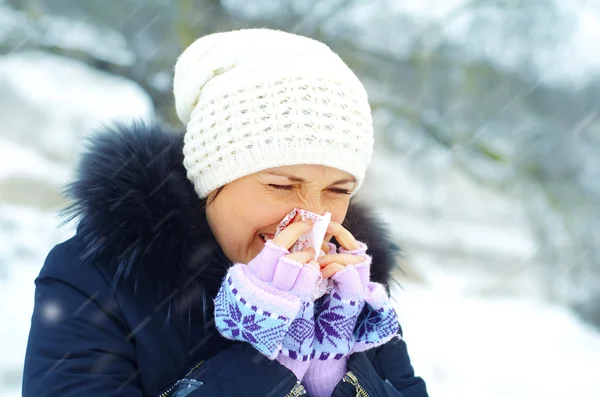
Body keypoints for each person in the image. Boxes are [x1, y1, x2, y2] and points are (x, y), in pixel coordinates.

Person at [22, 28, 428, 396]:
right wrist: (261, 349)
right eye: (281, 185)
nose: (313, 217)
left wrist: (332, 363)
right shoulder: (96, 279)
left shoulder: (352, 292)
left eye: (337, 191)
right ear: (210, 180)